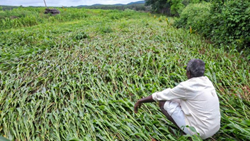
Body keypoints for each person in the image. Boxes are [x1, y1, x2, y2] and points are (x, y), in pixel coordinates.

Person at [134, 59, 221, 139]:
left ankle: (186, 131)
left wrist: (140, 101)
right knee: (180, 101)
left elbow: (162, 96)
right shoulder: (207, 82)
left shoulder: (187, 86)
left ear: (188, 73)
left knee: (162, 103)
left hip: (200, 133)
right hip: (215, 127)